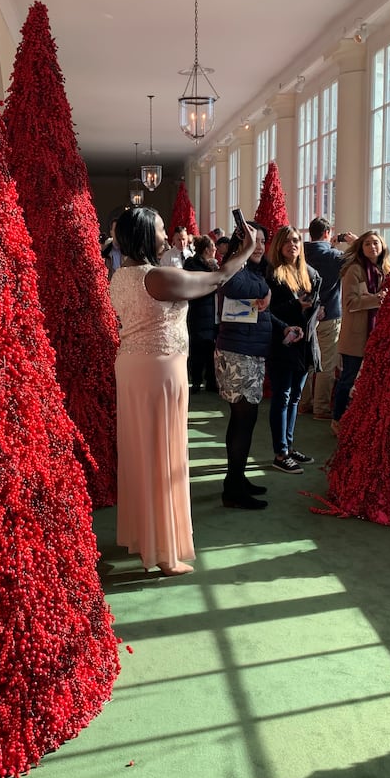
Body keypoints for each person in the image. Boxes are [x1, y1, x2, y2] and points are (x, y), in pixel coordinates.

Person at [110, 207, 256, 575]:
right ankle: (162, 552)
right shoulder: (154, 277)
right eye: (160, 230)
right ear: (145, 235)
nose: (167, 236)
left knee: (141, 453)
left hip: (136, 366)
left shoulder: (120, 275)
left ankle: (144, 537)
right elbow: (216, 279)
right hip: (157, 370)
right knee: (162, 454)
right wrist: (245, 250)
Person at [215, 223, 297, 509]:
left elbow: (260, 314)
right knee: (243, 421)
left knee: (243, 422)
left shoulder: (252, 271)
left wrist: (284, 327)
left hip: (248, 352)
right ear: (242, 243)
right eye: (254, 241)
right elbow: (235, 287)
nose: (260, 246)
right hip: (239, 354)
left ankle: (235, 480)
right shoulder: (236, 269)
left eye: (263, 241)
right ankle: (233, 490)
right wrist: (267, 290)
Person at [266, 226, 321, 473]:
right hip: (283, 343)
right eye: (287, 241)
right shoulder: (273, 274)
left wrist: (317, 310)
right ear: (279, 245)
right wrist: (294, 305)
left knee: (296, 397)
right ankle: (280, 453)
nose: (293, 245)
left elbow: (317, 303)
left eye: (296, 240)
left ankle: (288, 445)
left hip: (305, 343)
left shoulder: (309, 273)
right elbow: (267, 311)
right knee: (283, 396)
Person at [331, 229, 390, 435]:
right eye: (367, 244)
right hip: (356, 336)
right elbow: (349, 303)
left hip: (380, 336)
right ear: (361, 247)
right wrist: (377, 299)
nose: (372, 247)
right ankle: (337, 420)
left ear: (382, 245)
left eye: (375, 243)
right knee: (347, 378)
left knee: (375, 381)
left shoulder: (387, 270)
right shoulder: (354, 270)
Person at [299, 218, 358, 419]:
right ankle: (321, 408)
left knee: (306, 360)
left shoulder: (300, 253)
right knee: (325, 364)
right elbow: (361, 257)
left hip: (304, 314)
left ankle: (303, 403)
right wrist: (353, 241)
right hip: (329, 315)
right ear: (328, 232)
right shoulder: (334, 256)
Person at [183, 235, 219, 393]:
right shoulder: (192, 264)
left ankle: (210, 381)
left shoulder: (213, 266)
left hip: (212, 312)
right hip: (198, 310)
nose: (216, 250)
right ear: (207, 250)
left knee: (211, 348)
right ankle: (196, 381)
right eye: (213, 247)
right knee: (197, 349)